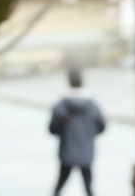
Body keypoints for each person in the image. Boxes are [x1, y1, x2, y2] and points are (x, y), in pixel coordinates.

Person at [49, 68, 105, 196]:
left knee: (59, 187)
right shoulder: (93, 104)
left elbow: (52, 129)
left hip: (67, 152)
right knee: (89, 188)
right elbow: (102, 126)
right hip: (86, 152)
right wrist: (88, 134)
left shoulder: (61, 104)